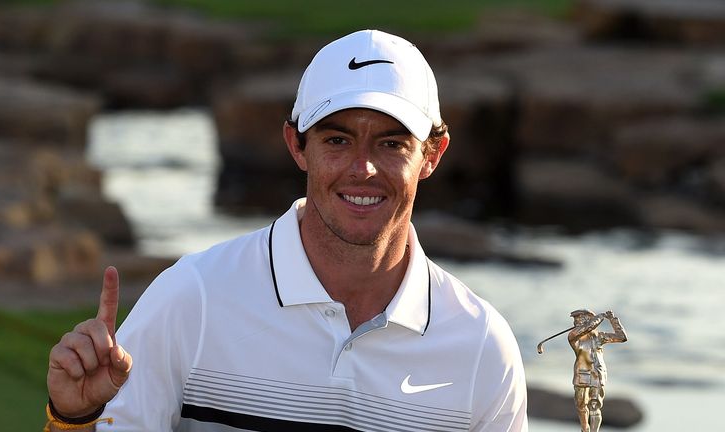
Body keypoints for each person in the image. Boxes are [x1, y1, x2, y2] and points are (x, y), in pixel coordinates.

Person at [46, 29, 528, 432]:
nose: (362, 169)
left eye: (392, 143)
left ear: (432, 155)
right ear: (297, 146)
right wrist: (75, 418)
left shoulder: (484, 347)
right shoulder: (192, 299)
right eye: (337, 140)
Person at [567, 309, 628, 432]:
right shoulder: (573, 336)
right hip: (582, 375)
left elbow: (622, 337)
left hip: (597, 374)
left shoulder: (599, 336)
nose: (576, 322)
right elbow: (588, 327)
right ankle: (585, 429)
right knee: (581, 405)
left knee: (595, 405)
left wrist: (612, 320)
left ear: (586, 319)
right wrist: (599, 317)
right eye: (575, 320)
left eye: (579, 319)